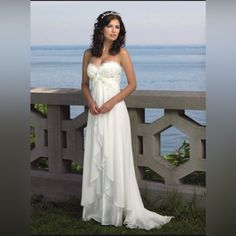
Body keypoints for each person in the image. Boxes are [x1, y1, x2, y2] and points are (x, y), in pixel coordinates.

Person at [80, 10, 174, 230]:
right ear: (101, 28)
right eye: (110, 26)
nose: (114, 30)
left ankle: (118, 208)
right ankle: (98, 208)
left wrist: (112, 102)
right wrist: (90, 102)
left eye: (117, 27)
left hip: (114, 111)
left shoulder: (121, 53)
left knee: (114, 155)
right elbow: (84, 84)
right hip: (95, 112)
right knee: (98, 155)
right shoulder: (88, 54)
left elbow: (132, 84)